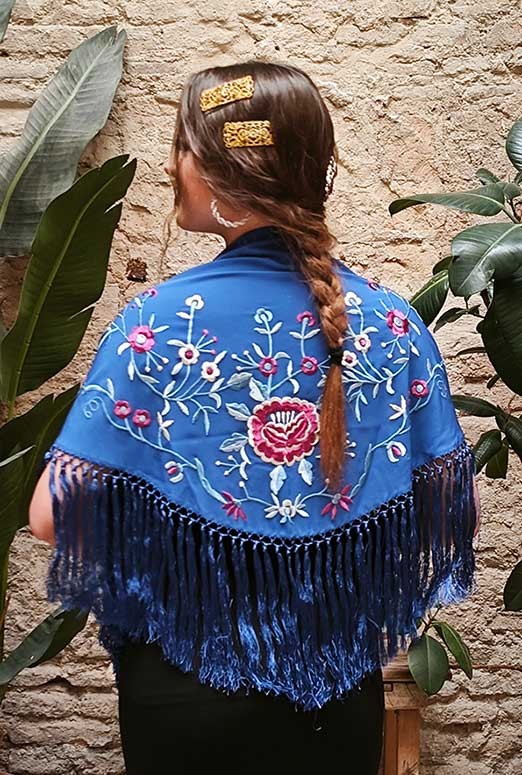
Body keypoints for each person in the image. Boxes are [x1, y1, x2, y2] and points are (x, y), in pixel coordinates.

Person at [29, 61, 480, 775]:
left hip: (179, 686)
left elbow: (55, 515)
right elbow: (434, 511)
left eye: (182, 147)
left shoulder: (155, 323)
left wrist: (188, 524)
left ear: (215, 168)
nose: (173, 165)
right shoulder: (394, 323)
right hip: (337, 692)